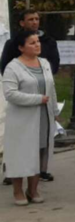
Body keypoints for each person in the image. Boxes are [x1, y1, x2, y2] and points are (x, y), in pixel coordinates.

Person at [3, 30, 56, 206]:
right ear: (21, 47)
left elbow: (51, 88)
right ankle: (17, 190)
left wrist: (54, 111)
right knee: (21, 153)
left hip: (43, 116)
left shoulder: (44, 63)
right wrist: (36, 99)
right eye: (32, 43)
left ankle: (33, 190)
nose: (37, 45)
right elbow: (10, 94)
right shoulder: (13, 67)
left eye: (38, 41)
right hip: (22, 118)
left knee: (39, 151)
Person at [1, 9, 61, 76]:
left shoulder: (49, 42)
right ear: (22, 23)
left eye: (37, 19)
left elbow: (54, 65)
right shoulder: (12, 43)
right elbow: (5, 68)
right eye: (31, 19)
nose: (34, 22)